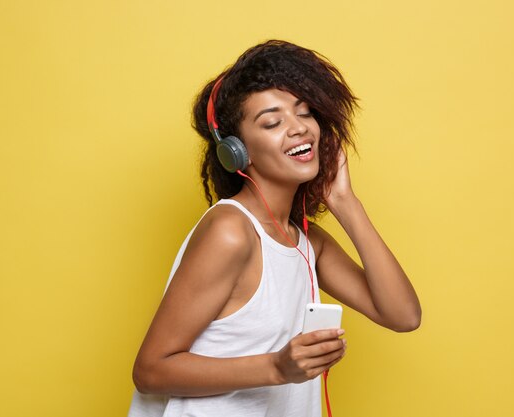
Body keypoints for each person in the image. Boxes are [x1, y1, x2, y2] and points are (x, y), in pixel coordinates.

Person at [127, 39, 421, 417]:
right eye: (272, 122)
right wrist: (276, 367)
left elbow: (403, 316)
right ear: (236, 150)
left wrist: (346, 202)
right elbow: (150, 371)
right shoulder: (231, 231)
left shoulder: (306, 241)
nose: (298, 128)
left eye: (304, 112)